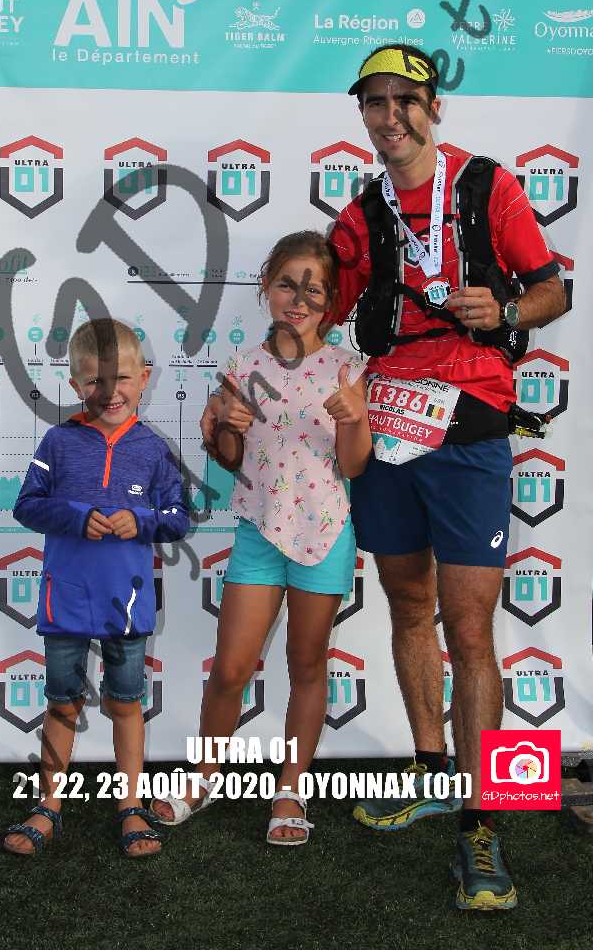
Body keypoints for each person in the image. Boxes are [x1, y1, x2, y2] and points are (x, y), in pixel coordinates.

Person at [329, 44, 566, 911]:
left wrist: (504, 309)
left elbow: (552, 291)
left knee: (469, 631)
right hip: (388, 425)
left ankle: (481, 821)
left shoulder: (488, 187)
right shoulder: (361, 213)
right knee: (406, 605)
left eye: (406, 100)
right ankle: (432, 770)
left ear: (435, 107)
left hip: (470, 426)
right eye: (375, 102)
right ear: (362, 113)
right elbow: (323, 305)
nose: (390, 116)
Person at [152, 231, 371, 843]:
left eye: (313, 290)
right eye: (286, 285)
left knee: (307, 663)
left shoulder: (347, 368)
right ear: (266, 288)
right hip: (258, 533)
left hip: (324, 536)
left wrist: (355, 419)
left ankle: (290, 791)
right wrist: (223, 427)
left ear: (330, 302)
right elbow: (227, 459)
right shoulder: (242, 366)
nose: (298, 300)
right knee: (230, 667)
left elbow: (354, 466)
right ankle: (202, 778)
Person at [3, 318, 189, 858]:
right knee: (62, 703)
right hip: (64, 600)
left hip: (126, 606)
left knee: (125, 704)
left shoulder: (154, 450)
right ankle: (48, 806)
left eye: (122, 378)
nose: (110, 392)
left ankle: (130, 807)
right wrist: (76, 516)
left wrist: (142, 520)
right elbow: (26, 505)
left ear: (144, 377)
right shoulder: (58, 441)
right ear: (75, 384)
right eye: (94, 381)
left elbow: (177, 518)